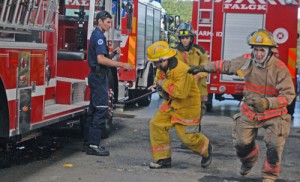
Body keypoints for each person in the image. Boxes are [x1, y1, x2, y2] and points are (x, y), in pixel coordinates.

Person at [188, 29, 296, 182]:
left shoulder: (280, 68)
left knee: (274, 145)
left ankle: (269, 176)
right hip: (250, 111)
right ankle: (248, 161)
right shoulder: (247, 60)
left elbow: (288, 96)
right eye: (256, 49)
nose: (258, 54)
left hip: (274, 114)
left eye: (262, 50)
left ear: (270, 51)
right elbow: (226, 65)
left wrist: (267, 103)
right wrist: (203, 67)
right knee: (241, 143)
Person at [147, 40, 213, 169]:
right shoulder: (162, 67)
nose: (155, 65)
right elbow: (160, 81)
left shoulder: (182, 70)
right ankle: (163, 158)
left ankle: (206, 148)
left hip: (187, 106)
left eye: (156, 62)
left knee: (187, 138)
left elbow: (179, 93)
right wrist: (157, 85)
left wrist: (162, 83)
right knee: (156, 124)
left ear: (164, 59)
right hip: (172, 103)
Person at [85, 10, 133, 156]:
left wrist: (112, 54)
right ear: (100, 21)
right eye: (107, 22)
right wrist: (121, 64)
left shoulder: (98, 35)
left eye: (110, 22)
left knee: (93, 110)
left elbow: (101, 57)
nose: (110, 25)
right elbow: (100, 60)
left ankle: (88, 143)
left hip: (97, 75)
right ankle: (93, 145)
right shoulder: (99, 37)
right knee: (101, 110)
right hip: (99, 77)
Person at [176, 23, 208, 133]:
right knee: (184, 114)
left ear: (191, 38)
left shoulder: (199, 52)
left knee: (197, 114)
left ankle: (194, 137)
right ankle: (187, 138)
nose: (184, 40)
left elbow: (206, 68)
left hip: (198, 90)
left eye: (187, 38)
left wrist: (198, 75)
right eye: (182, 38)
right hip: (183, 90)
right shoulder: (175, 53)